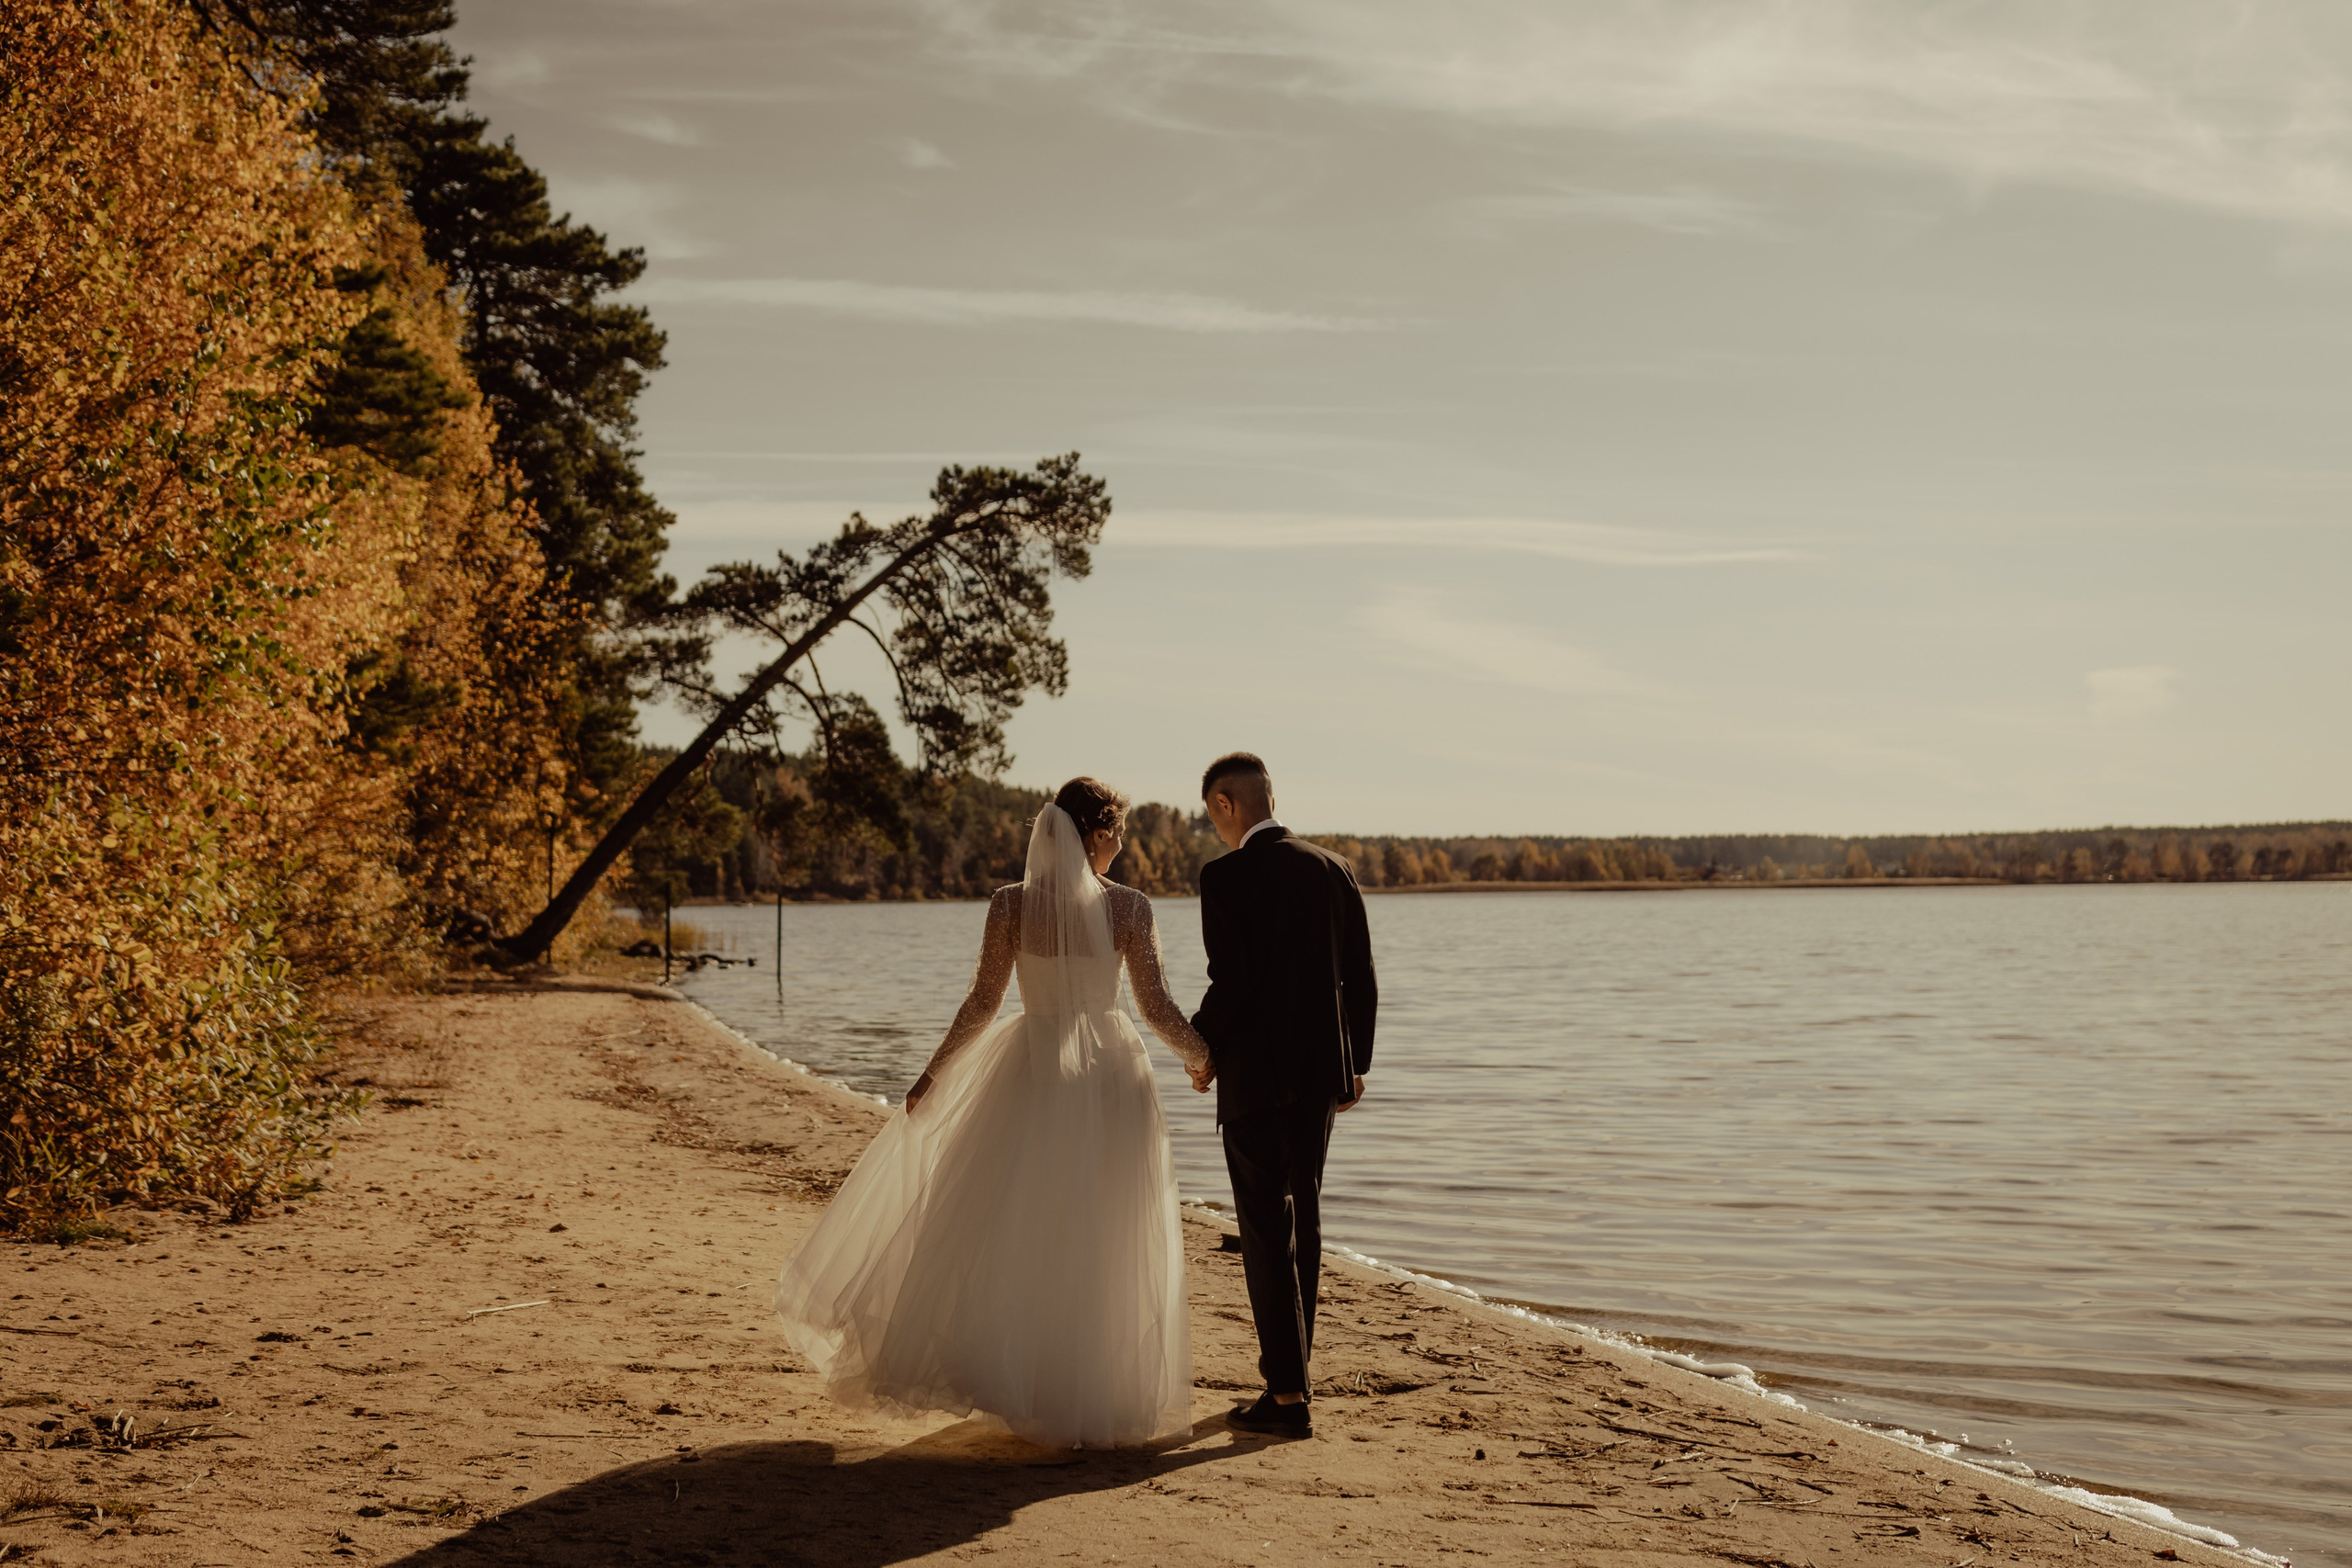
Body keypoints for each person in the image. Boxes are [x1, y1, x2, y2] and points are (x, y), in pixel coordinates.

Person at [772, 777, 1211, 1449]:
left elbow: (982, 1002)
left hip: (1030, 1069)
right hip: (1108, 1078)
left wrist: (933, 1071)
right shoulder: (1129, 908)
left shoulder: (1010, 904)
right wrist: (1205, 1056)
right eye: (1117, 832)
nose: (1122, 844)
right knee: (1103, 1232)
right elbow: (1153, 1008)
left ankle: (1029, 1388)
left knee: (1025, 1228)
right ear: (1094, 834)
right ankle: (1087, 1393)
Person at [1189, 751, 1377, 1437]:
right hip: (1322, 1075)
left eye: (1212, 813)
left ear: (1224, 804)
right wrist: (1356, 1063)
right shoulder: (1334, 868)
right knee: (1307, 1222)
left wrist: (1199, 1048)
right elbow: (1359, 973)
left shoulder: (1225, 877)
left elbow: (1232, 981)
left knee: (1267, 1227)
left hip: (1256, 1077)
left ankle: (1288, 1395)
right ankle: (1292, 1381)